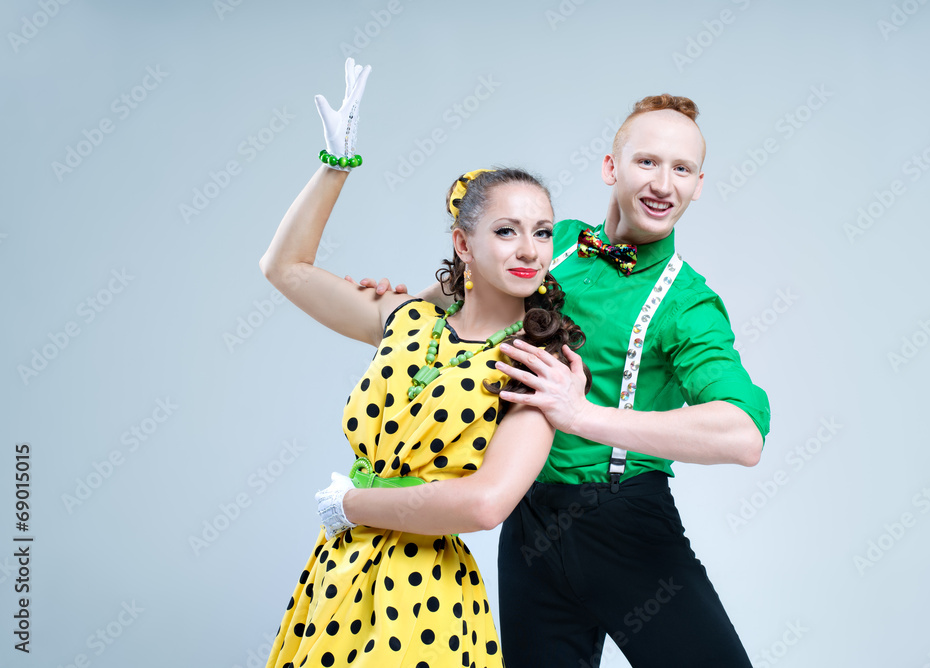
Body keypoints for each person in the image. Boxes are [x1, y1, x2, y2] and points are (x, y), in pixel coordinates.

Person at [356, 94, 771, 666]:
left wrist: (582, 416)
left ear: (699, 184)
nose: (663, 183)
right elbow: (450, 305)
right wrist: (400, 301)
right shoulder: (551, 245)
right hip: (529, 528)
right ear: (611, 168)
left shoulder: (687, 302)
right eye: (647, 162)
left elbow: (743, 435)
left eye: (682, 169)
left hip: (625, 526)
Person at [258, 58, 589, 668]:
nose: (529, 250)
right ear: (463, 243)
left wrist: (350, 505)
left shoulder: (540, 363)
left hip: (423, 597)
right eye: (507, 231)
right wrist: (336, 166)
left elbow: (486, 504)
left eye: (542, 233)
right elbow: (286, 270)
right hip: (335, 577)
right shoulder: (408, 320)